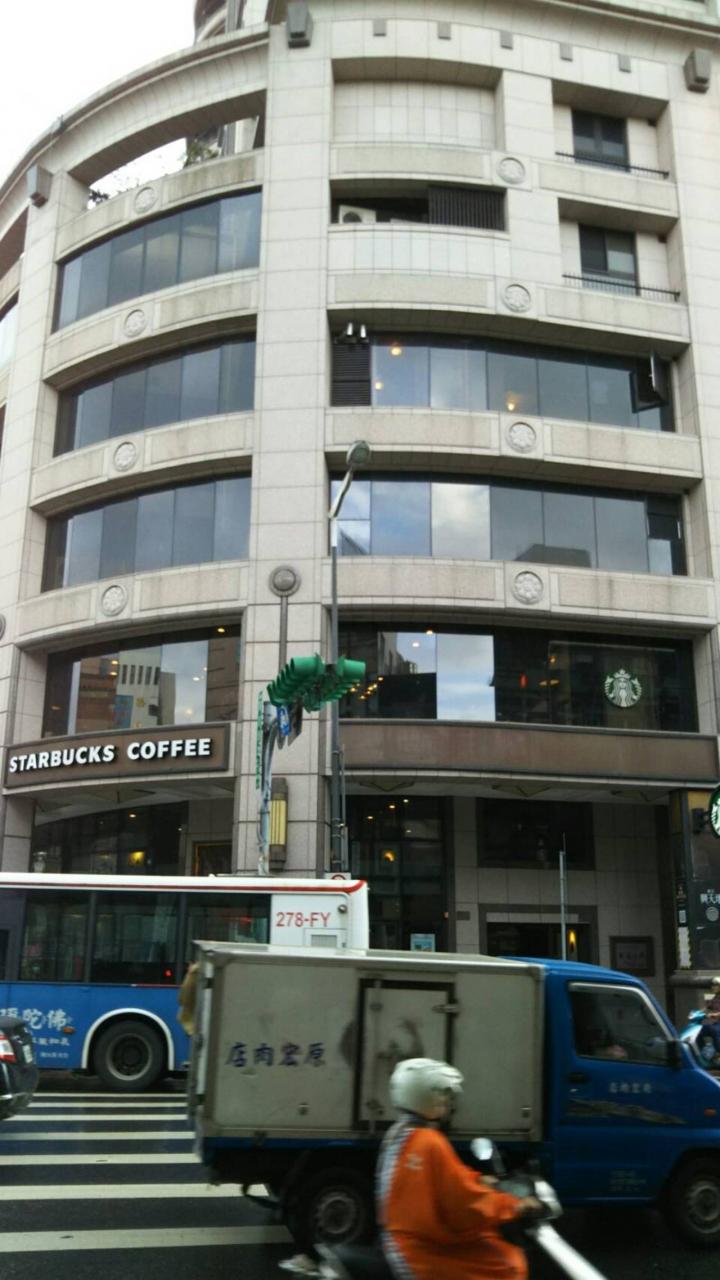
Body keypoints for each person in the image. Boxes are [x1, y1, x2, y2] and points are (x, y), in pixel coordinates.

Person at [376, 1057, 540, 1280]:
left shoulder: (399, 1134)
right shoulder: (430, 1141)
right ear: (424, 1095)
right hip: (421, 1251)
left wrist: (478, 1180)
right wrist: (514, 1206)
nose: (446, 1101)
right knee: (509, 1265)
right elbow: (462, 1202)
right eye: (442, 1093)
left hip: (402, 1241)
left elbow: (446, 1178)